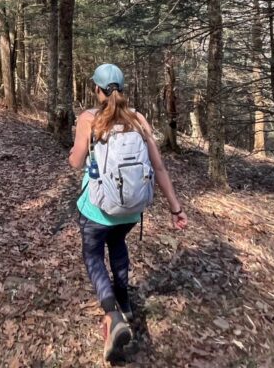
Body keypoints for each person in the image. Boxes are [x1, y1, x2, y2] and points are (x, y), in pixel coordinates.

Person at [68, 63, 188, 361]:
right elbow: (158, 167)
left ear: (96, 90)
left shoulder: (88, 118)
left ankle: (113, 315)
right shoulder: (139, 119)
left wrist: (77, 150)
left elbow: (75, 161)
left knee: (93, 255)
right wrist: (177, 209)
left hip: (96, 210)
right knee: (118, 244)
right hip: (131, 211)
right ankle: (125, 301)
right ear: (122, 89)